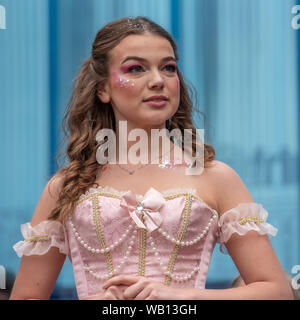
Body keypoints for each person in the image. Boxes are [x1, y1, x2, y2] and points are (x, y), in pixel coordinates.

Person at [10, 16, 293, 300]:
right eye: (136, 69)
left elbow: (277, 292)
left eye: (168, 68)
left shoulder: (215, 176)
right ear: (103, 89)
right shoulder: (67, 186)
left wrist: (183, 297)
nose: (158, 81)